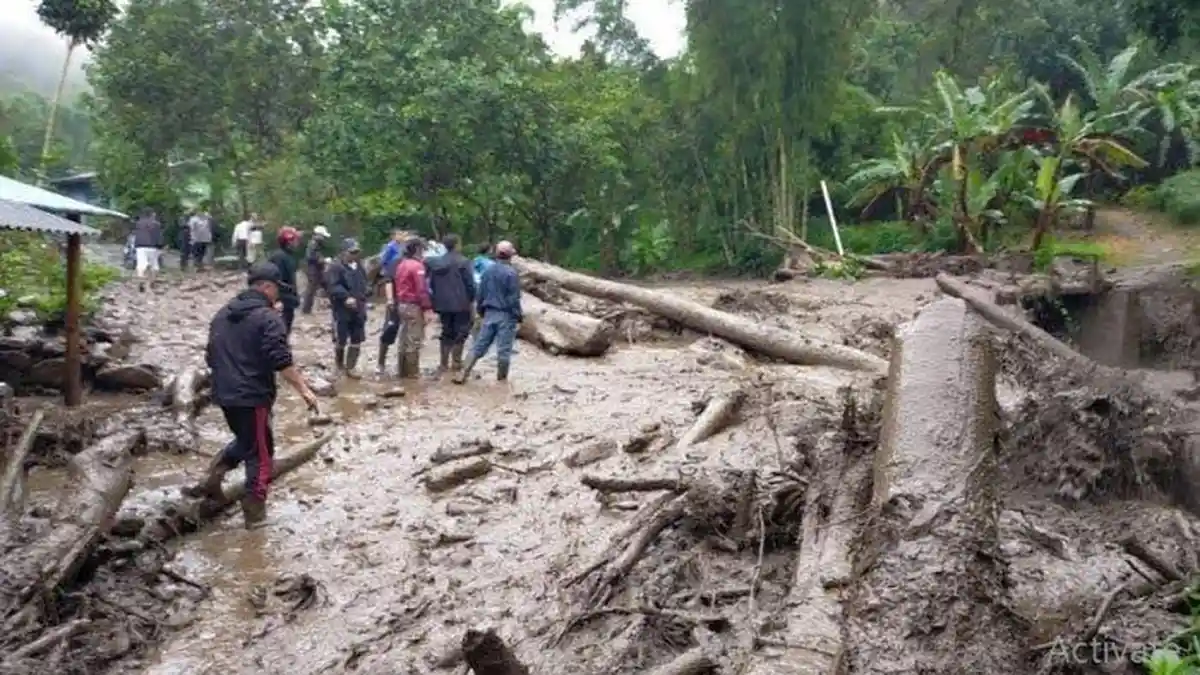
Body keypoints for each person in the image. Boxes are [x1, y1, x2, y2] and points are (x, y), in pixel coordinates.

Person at [184, 262, 319, 529]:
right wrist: (304, 389)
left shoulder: (222, 314)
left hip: (224, 394)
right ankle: (254, 513)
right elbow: (281, 359)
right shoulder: (268, 318)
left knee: (247, 440)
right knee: (261, 454)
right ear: (267, 287)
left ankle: (213, 477)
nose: (278, 295)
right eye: (277, 289)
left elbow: (210, 355)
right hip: (252, 396)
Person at [454, 240, 522, 384]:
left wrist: (481, 311)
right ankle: (501, 381)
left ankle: (463, 373)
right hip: (506, 315)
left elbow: (480, 294)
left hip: (489, 313)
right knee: (504, 349)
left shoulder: (488, 271)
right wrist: (518, 316)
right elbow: (514, 298)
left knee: (479, 345)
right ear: (510, 255)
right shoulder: (512, 273)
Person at [426, 234, 476, 373]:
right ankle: (456, 363)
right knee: (461, 331)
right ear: (457, 245)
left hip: (442, 304)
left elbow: (432, 284)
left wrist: (435, 299)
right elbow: (470, 284)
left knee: (446, 331)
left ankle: (443, 364)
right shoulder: (464, 262)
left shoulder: (435, 263)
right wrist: (471, 299)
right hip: (461, 303)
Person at [387, 238, 434, 378]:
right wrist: (427, 308)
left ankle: (402, 371)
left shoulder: (401, 264)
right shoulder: (417, 266)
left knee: (403, 338)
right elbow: (421, 290)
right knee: (414, 339)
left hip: (402, 304)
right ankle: (413, 374)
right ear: (418, 249)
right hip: (414, 306)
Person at [325, 238, 369, 377]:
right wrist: (345, 297)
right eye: (352, 252)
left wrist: (365, 293)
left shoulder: (360, 266)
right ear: (344, 252)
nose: (354, 255)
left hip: (359, 306)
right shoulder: (335, 267)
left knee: (357, 337)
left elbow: (364, 283)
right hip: (342, 308)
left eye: (356, 252)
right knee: (341, 337)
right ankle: (339, 365)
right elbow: (332, 286)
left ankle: (351, 367)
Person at [375, 229, 411, 373]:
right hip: (396, 298)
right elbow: (388, 279)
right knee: (390, 329)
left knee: (409, 335)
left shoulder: (418, 262)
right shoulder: (393, 253)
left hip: (409, 302)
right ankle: (380, 363)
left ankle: (404, 367)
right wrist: (390, 299)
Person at [268, 226, 303, 335]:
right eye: (295, 240)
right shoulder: (279, 257)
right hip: (282, 300)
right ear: (288, 242)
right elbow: (275, 280)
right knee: (280, 330)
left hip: (287, 299)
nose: (297, 243)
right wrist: (278, 300)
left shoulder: (288, 256)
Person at [301, 226, 331, 315]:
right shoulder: (313, 244)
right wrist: (324, 260)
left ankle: (336, 303)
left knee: (327, 285)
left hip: (317, 269)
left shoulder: (316, 244)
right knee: (311, 289)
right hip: (313, 269)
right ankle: (306, 309)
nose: (324, 239)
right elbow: (310, 257)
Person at [133, 208, 164, 292]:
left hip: (140, 246)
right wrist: (161, 247)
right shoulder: (156, 224)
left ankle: (141, 279)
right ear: (152, 214)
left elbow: (136, 234)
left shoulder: (138, 223)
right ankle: (152, 282)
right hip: (153, 246)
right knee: (154, 265)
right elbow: (159, 236)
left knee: (141, 265)